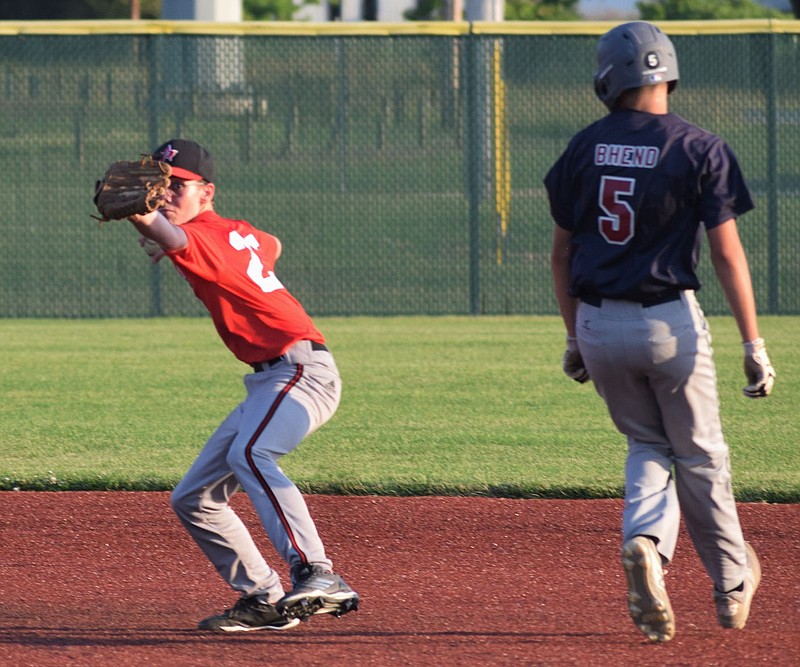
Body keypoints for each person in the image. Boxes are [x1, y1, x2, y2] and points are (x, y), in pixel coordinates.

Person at [545, 22, 775, 643]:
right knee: (701, 457)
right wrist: (753, 345)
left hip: (597, 320)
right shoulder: (699, 146)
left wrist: (574, 337)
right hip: (669, 322)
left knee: (648, 446)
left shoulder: (584, 146)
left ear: (608, 79)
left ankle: (645, 541)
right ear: (668, 75)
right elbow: (727, 255)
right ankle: (731, 584)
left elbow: (562, 254)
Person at [128, 138, 359, 632]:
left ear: (206, 191)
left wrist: (141, 217)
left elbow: (170, 236)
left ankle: (318, 573)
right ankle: (263, 598)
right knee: (195, 497)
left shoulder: (204, 239)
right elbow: (270, 243)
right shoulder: (235, 232)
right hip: (274, 378)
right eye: (157, 186)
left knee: (251, 454)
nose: (164, 194)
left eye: (177, 186)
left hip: (301, 371)